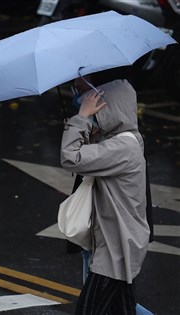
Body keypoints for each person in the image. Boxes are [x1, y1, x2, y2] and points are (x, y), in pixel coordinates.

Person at [61, 78, 150, 314]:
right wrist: (80, 128)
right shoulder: (129, 140)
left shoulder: (123, 148)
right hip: (117, 247)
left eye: (98, 112)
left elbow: (72, 158)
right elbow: (93, 155)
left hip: (114, 252)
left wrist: (80, 118)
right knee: (124, 310)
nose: (94, 118)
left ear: (111, 112)